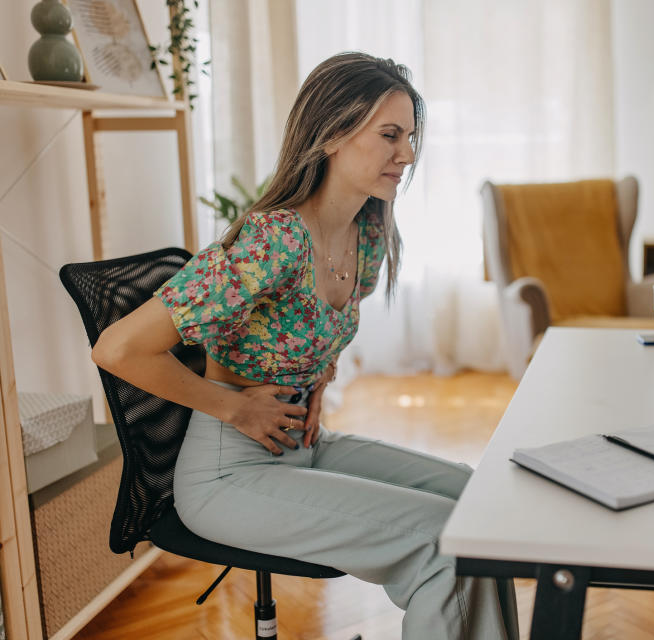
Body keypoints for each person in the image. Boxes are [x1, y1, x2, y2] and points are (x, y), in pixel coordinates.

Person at [92, 52, 519, 640]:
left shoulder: (369, 229)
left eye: (411, 137)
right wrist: (234, 406)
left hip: (300, 442)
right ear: (332, 135)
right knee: (439, 539)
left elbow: (319, 328)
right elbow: (116, 349)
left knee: (478, 502)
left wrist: (316, 381)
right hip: (227, 473)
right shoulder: (273, 240)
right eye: (390, 135)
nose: (408, 154)